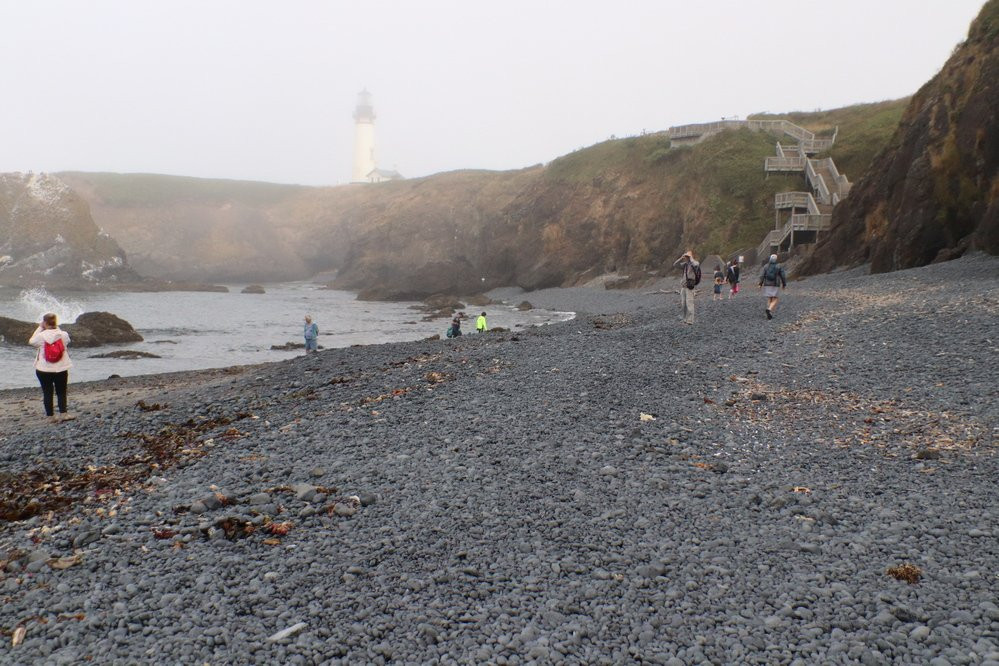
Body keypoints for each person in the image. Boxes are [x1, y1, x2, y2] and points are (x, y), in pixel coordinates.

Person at [29, 313, 75, 423]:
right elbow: (67, 341)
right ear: (56, 322)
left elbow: (31, 341)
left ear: (44, 323)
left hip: (43, 369)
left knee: (47, 392)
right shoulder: (63, 334)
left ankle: (50, 417)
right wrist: (56, 327)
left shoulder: (41, 336)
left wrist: (40, 327)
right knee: (61, 391)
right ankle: (63, 414)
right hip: (61, 368)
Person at [672, 250, 700, 325]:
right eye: (686, 256)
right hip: (683, 287)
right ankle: (685, 319)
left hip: (689, 287)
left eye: (688, 256)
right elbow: (675, 265)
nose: (687, 257)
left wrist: (691, 258)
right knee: (683, 304)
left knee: (689, 303)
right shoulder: (685, 264)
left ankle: (690, 321)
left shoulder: (694, 263)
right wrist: (681, 258)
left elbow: (696, 264)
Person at [758, 254, 787, 319]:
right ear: (776, 259)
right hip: (775, 284)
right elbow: (783, 276)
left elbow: (762, 275)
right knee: (775, 298)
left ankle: (769, 312)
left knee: (769, 298)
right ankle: (769, 310)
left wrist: (760, 284)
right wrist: (784, 284)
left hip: (767, 284)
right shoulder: (778, 266)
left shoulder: (766, 266)